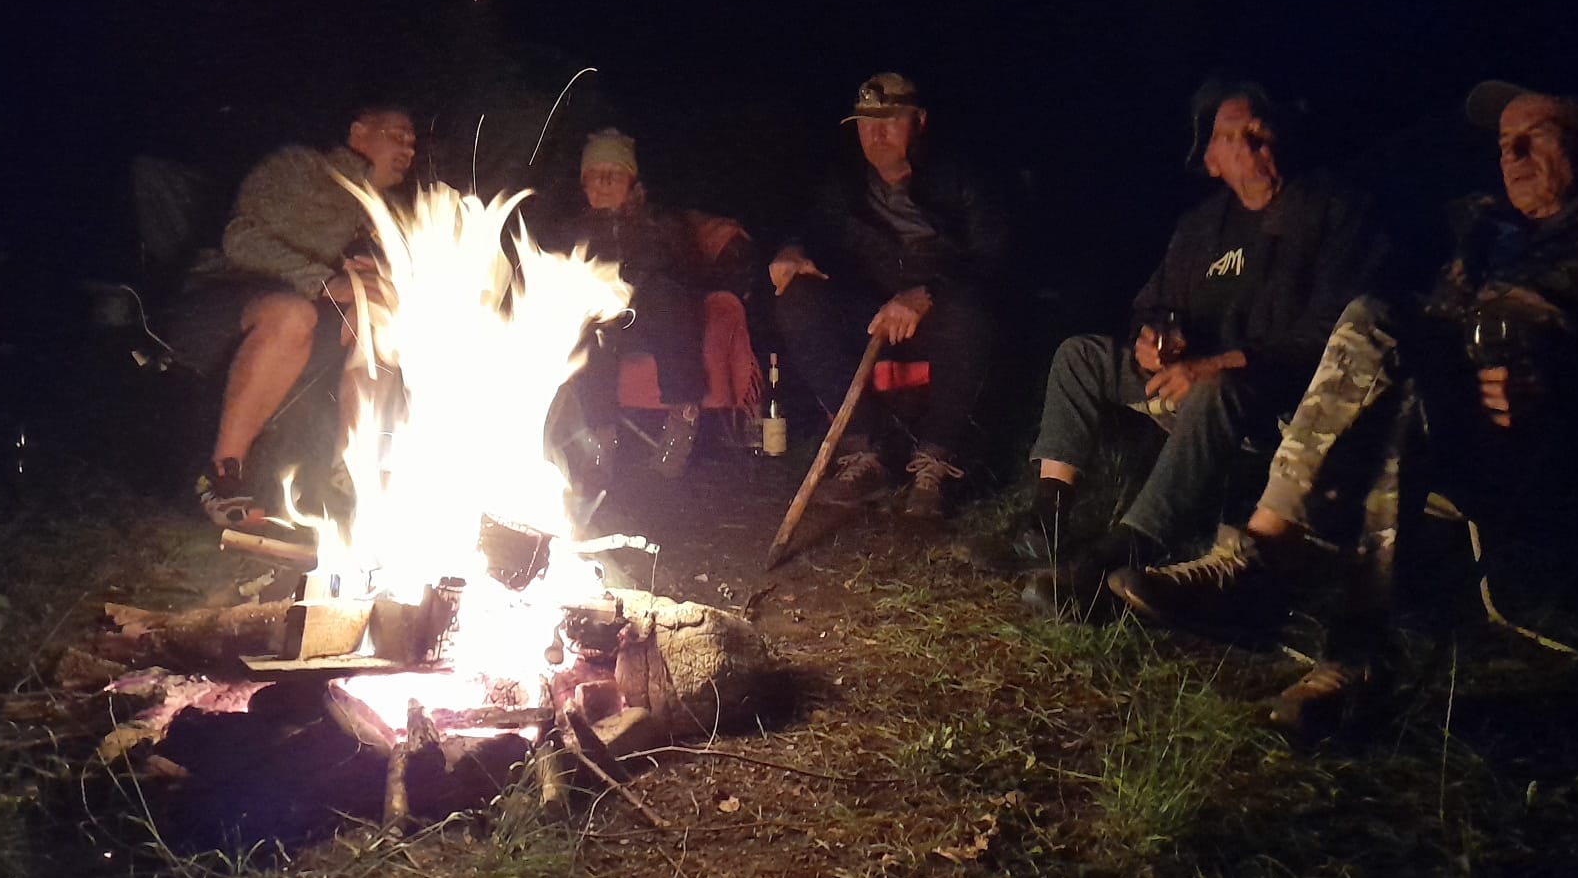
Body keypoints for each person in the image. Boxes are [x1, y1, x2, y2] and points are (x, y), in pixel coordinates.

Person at [1107, 81, 1578, 733]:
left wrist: (1555, 382)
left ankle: (1263, 562)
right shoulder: (1481, 230)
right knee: (1399, 378)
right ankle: (1353, 656)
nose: (1513, 155)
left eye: (1537, 137)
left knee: (1379, 326)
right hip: (1450, 415)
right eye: (1504, 143)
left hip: (1554, 438)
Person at [981, 78, 1381, 598]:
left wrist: (1221, 364)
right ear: (1211, 161)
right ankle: (1048, 518)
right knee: (1080, 355)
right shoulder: (1202, 227)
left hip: (1273, 389)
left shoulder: (1332, 210)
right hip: (1187, 375)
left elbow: (1333, 330)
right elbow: (1153, 305)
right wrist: (1152, 339)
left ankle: (1130, 547)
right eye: (1233, 136)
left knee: (1216, 389)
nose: (1253, 144)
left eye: (1259, 130)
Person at [163, 103, 417, 526]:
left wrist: (379, 277)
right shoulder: (301, 169)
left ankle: (347, 470)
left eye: (412, 141)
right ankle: (222, 475)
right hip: (224, 297)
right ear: (358, 133)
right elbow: (240, 239)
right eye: (397, 135)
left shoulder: (387, 212)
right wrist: (323, 280)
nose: (408, 148)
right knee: (292, 315)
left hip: (312, 323)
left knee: (382, 318)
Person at [770, 72, 1008, 518]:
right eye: (865, 122)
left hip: (942, 318)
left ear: (920, 121)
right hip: (872, 313)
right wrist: (792, 251)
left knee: (969, 312)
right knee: (796, 298)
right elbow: (812, 231)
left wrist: (927, 292)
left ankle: (936, 459)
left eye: (889, 120)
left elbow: (993, 260)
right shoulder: (845, 184)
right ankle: (864, 450)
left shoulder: (962, 179)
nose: (875, 133)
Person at [546, 129, 749, 481]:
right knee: (588, 324)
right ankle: (601, 438)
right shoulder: (572, 230)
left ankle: (682, 417)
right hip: (608, 322)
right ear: (583, 182)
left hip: (655, 318)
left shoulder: (660, 222)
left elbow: (684, 272)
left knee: (663, 295)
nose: (604, 182)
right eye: (595, 174)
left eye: (614, 173)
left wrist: (630, 276)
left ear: (631, 181)